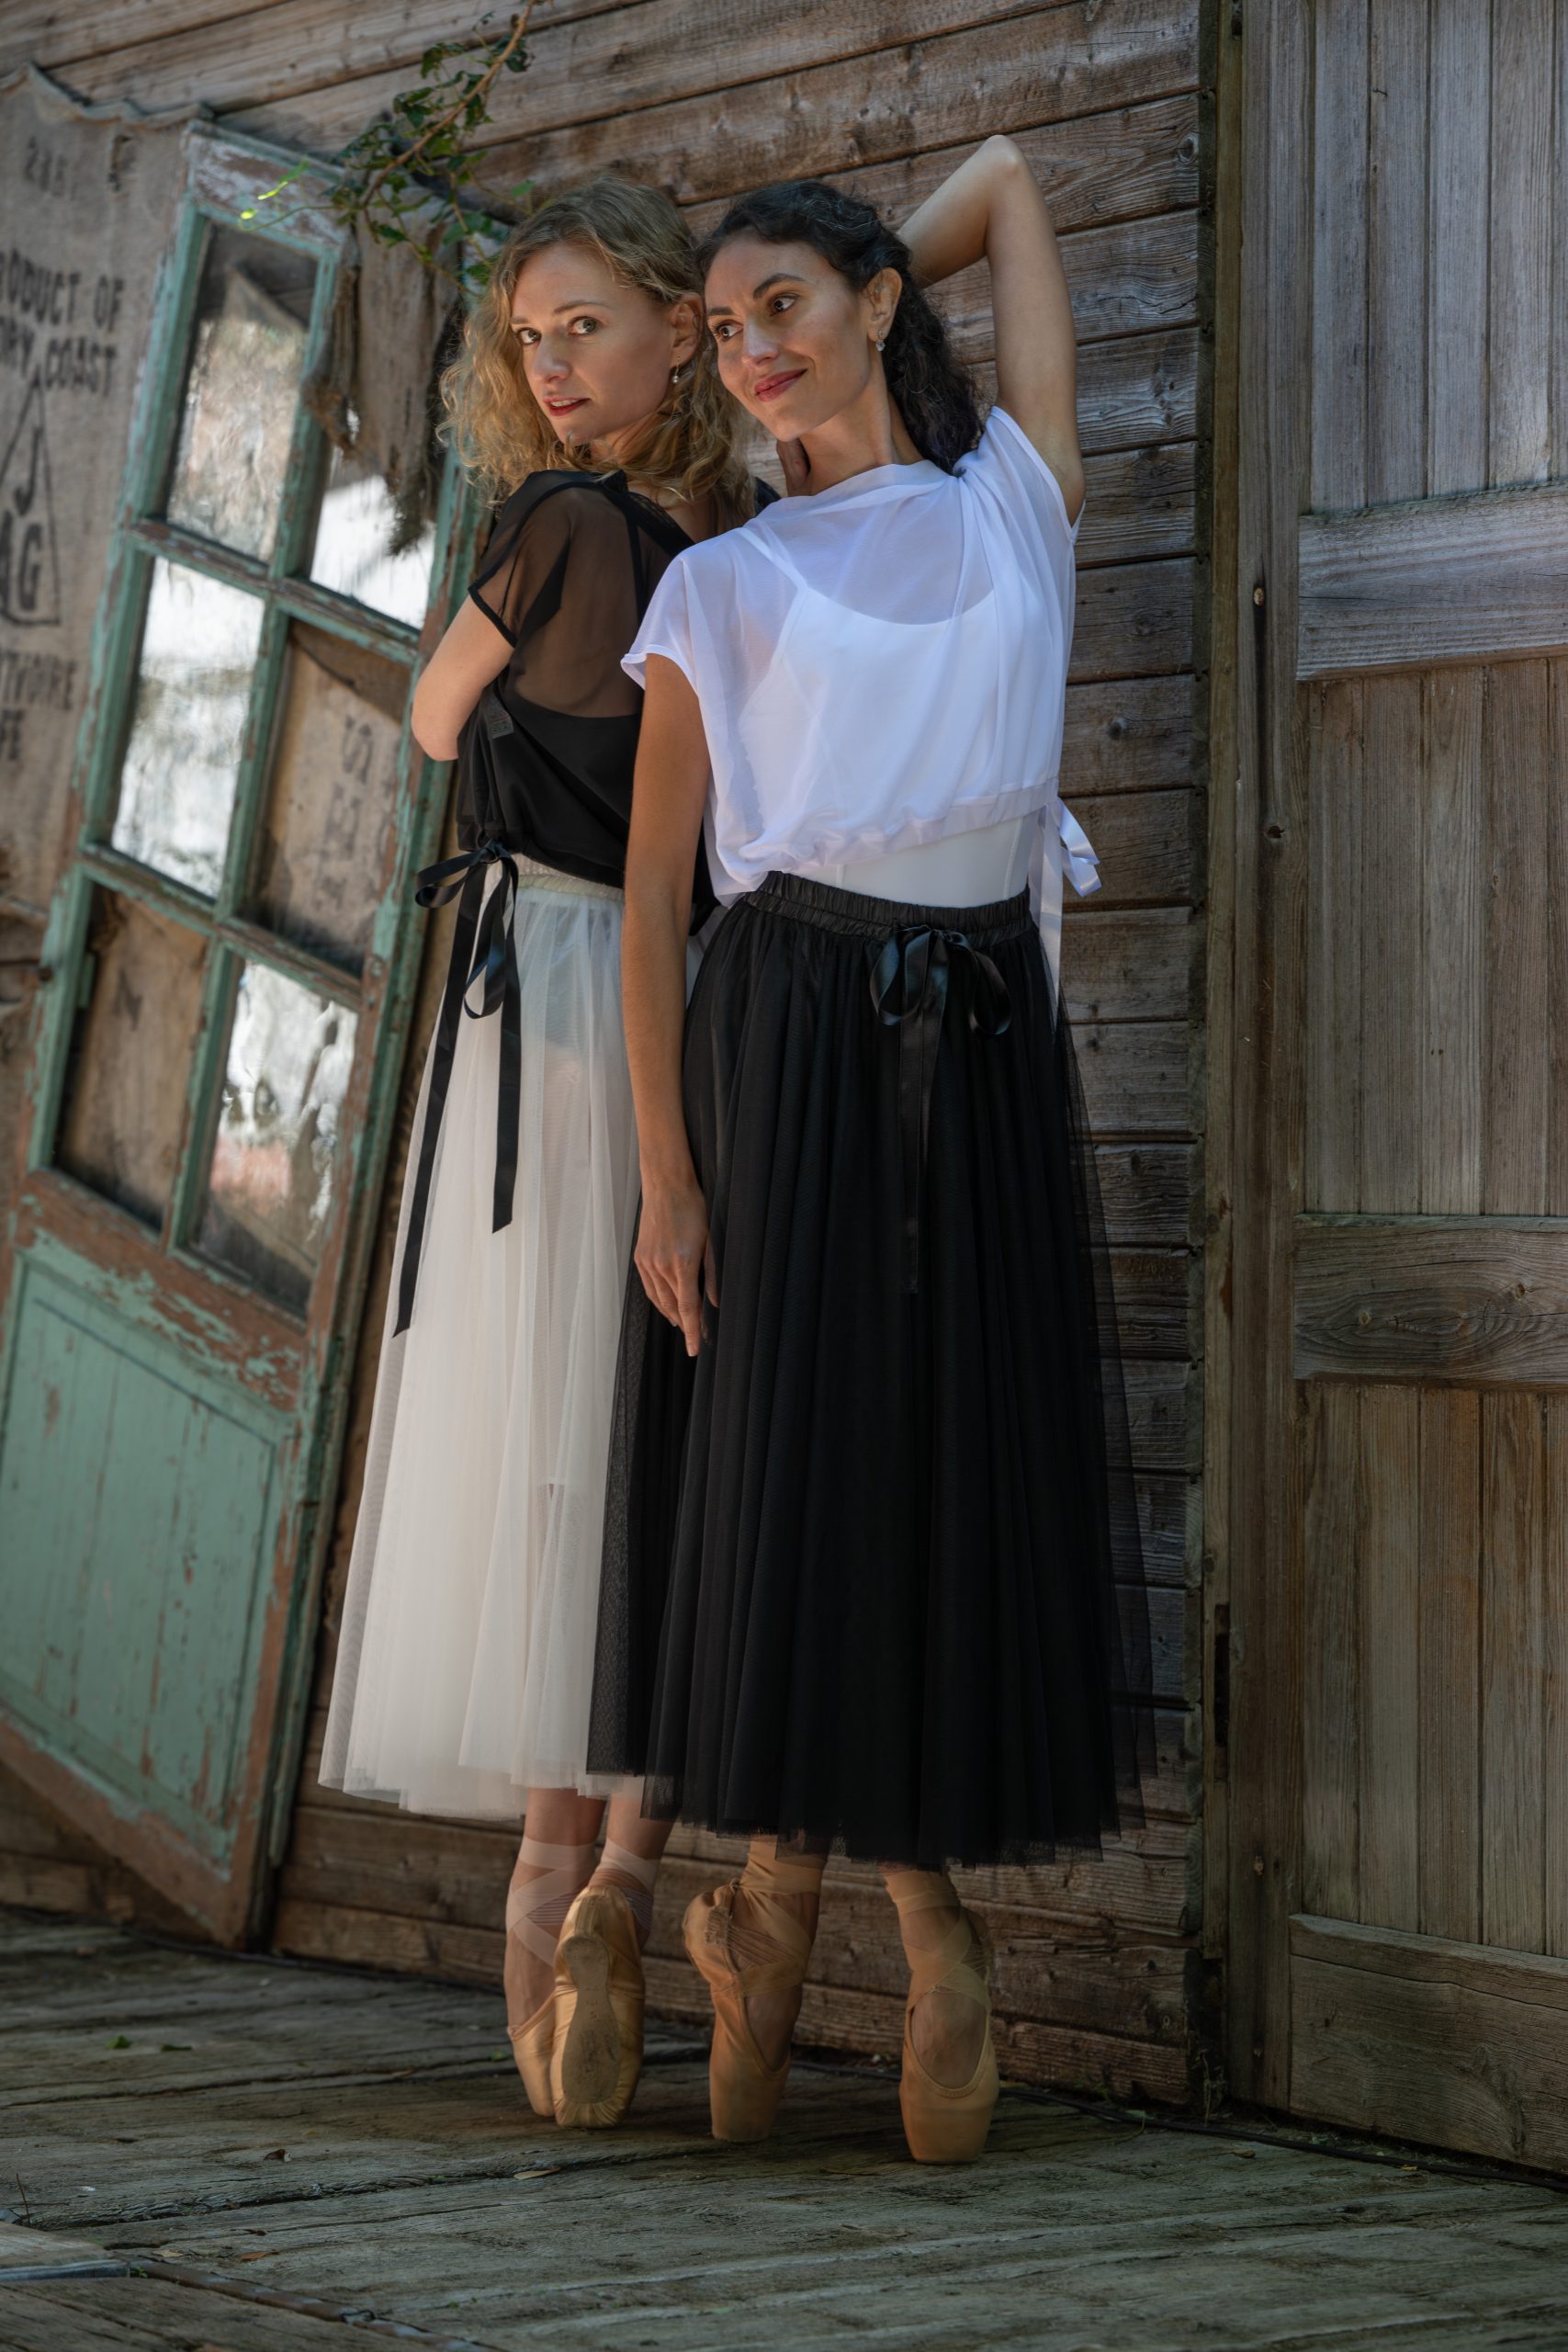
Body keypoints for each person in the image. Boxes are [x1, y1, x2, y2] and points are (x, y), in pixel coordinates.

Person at [588, 141, 1153, 2164]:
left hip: (980, 1031)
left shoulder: (1010, 490)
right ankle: (852, 1935)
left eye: (784, 309)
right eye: (721, 327)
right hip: (790, 1034)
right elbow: (652, 907)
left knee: (934, 1466)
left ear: (877, 307)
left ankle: (804, 1931)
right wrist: (667, 1174)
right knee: (803, 1465)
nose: (749, 350)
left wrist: (852, 269)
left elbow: (1007, 179)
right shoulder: (719, 581)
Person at [318, 178, 762, 2132]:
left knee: (535, 1426)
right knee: (635, 1417)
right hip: (691, 995)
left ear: (675, 329)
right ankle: (617, 1887)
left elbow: (434, 722)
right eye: (529, 337)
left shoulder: (562, 524)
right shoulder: (729, 550)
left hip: (552, 995)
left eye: (585, 325)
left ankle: (546, 1897)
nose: (552, 364)